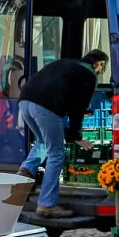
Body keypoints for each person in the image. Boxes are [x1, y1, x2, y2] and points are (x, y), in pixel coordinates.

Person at [16, 49, 108, 219]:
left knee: (43, 140)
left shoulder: (65, 63)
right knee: (56, 153)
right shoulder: (89, 74)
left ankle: (26, 170)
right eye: (103, 69)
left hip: (25, 101)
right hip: (46, 106)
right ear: (100, 64)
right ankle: (47, 205)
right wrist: (77, 136)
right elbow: (78, 109)